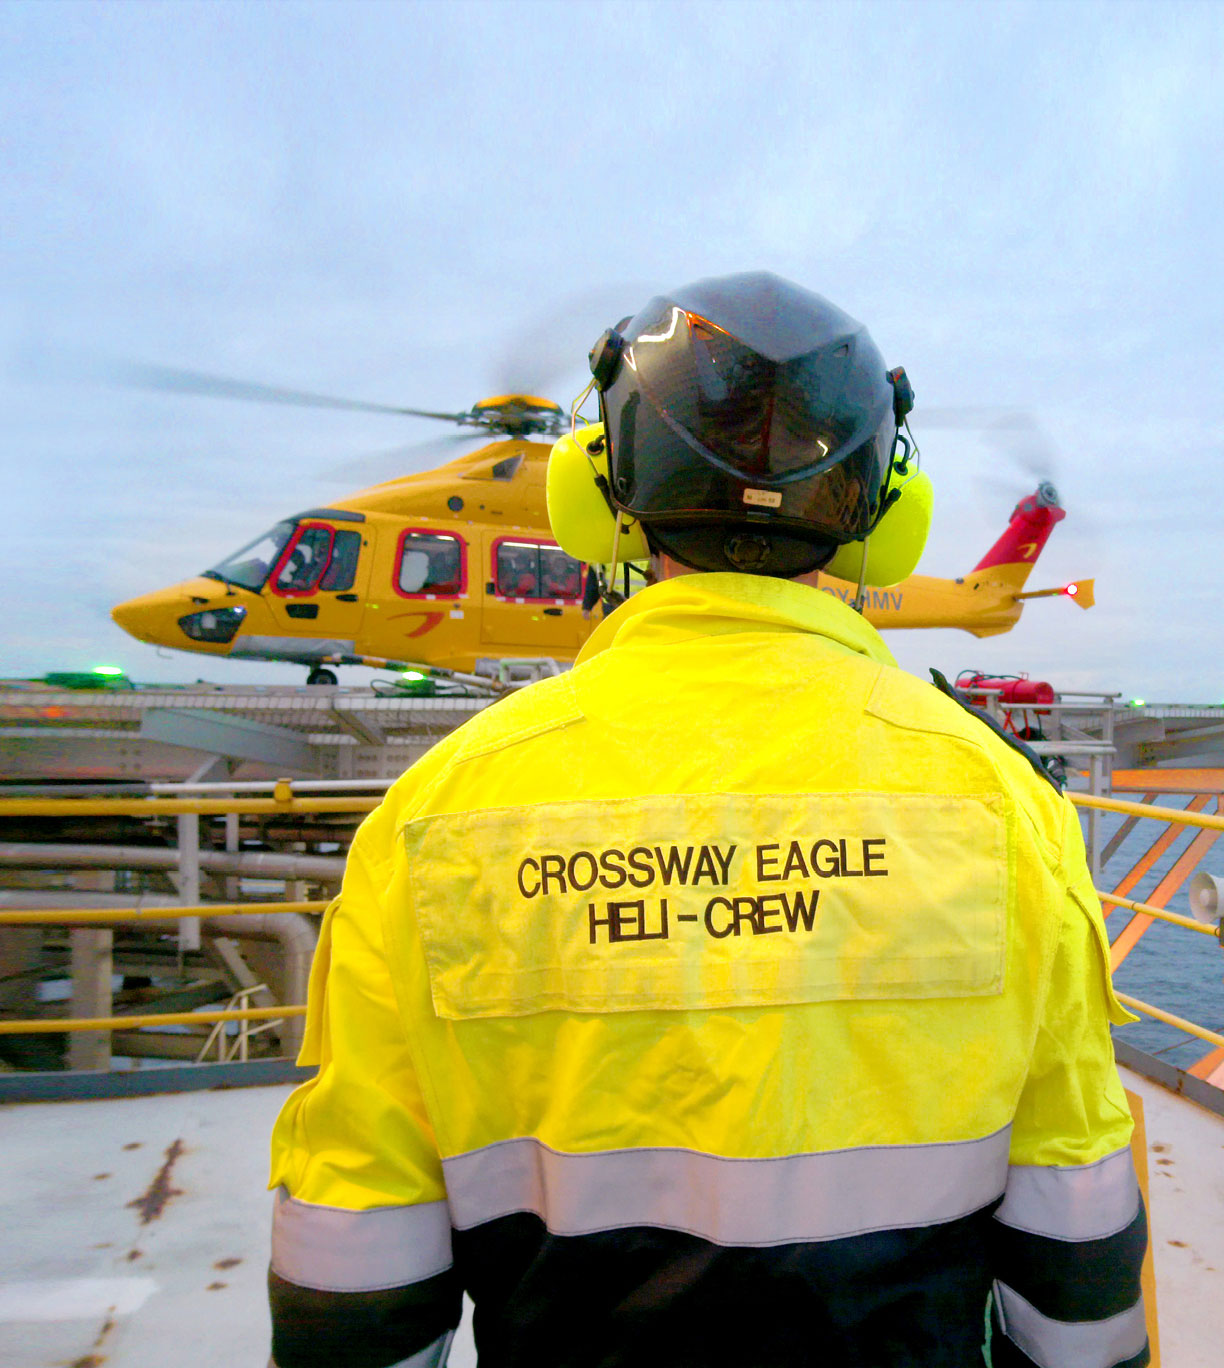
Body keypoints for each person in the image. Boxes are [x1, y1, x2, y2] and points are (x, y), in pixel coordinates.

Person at [266, 273, 1148, 1368]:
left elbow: (357, 1232)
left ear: (597, 492)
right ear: (884, 507)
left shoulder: (438, 807)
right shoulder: (1003, 800)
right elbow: (1074, 1193)